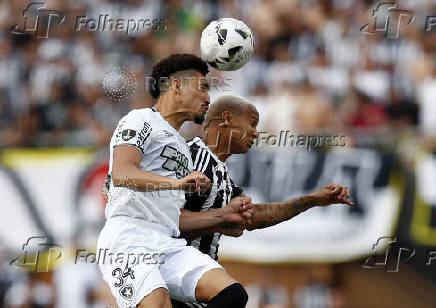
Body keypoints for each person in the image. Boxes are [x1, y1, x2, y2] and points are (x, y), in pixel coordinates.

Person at [97, 55, 253, 308]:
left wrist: (223, 217)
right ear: (177, 86)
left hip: (168, 242)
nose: (208, 99)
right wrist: (177, 183)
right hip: (129, 237)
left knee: (233, 294)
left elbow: (174, 216)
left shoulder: (182, 146)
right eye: (203, 88)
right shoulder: (140, 119)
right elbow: (122, 174)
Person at [172, 94, 353, 307]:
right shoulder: (190, 158)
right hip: (173, 270)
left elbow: (254, 216)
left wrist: (312, 200)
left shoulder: (221, 173)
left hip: (194, 280)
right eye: (252, 124)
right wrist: (221, 220)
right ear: (227, 119)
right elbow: (170, 221)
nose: (256, 133)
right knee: (234, 295)